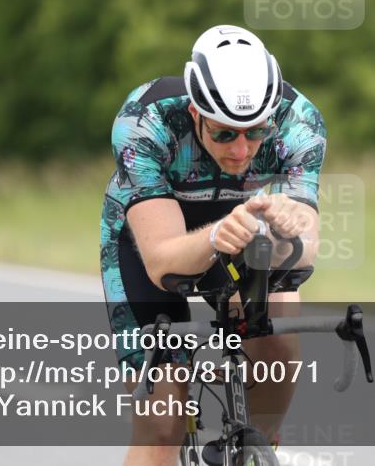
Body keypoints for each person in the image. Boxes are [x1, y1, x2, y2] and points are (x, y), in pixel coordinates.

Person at [100, 24, 326, 466]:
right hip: (151, 236)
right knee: (162, 426)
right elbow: (161, 262)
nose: (241, 150)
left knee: (279, 343)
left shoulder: (299, 121)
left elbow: (305, 249)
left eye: (255, 132)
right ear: (195, 112)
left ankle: (256, 449)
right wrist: (216, 234)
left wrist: (285, 233)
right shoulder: (146, 121)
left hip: (244, 230)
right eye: (225, 134)